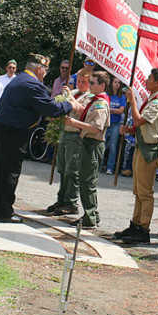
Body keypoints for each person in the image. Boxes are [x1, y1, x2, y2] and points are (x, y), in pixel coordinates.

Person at [0, 54, 77, 223]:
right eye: (45, 70)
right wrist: (69, 104)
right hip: (14, 132)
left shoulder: (21, 79)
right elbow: (51, 109)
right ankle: (4, 212)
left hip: (1, 128)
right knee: (10, 172)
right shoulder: (33, 84)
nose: (46, 73)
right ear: (39, 68)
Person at [114, 68, 158, 244]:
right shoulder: (152, 98)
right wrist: (129, 129)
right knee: (138, 190)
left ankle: (143, 228)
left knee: (145, 191)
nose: (146, 81)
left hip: (150, 149)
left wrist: (132, 102)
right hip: (142, 145)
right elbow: (142, 126)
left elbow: (139, 120)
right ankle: (135, 223)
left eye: (149, 78)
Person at [59, 71, 110, 229]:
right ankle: (91, 214)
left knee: (88, 182)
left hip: (93, 144)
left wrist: (75, 123)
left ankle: (90, 217)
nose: (91, 85)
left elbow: (96, 128)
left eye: (93, 83)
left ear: (102, 85)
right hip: (87, 142)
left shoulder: (101, 103)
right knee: (85, 180)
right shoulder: (95, 100)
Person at [44, 70, 93, 216]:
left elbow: (83, 112)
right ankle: (62, 199)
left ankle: (71, 202)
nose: (80, 84)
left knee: (72, 170)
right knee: (62, 168)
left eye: (84, 82)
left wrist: (70, 97)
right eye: (78, 81)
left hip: (76, 135)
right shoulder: (75, 92)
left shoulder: (90, 97)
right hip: (65, 132)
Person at [104, 76, 126, 175]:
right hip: (106, 123)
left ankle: (110, 167)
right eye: (115, 82)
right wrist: (114, 110)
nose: (117, 84)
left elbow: (121, 111)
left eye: (119, 83)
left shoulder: (122, 97)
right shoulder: (107, 95)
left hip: (116, 124)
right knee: (102, 145)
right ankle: (98, 164)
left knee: (113, 146)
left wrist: (109, 109)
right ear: (111, 83)